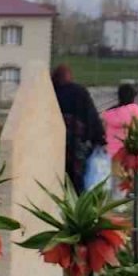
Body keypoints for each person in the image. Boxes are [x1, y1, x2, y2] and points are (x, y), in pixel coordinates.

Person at [52, 65, 105, 193]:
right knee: (78, 178)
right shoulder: (80, 92)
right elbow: (91, 117)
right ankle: (76, 206)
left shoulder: (51, 92)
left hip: (55, 144)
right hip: (78, 144)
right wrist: (100, 139)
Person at [102, 83, 138, 198]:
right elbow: (137, 127)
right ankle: (119, 200)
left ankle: (108, 197)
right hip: (127, 147)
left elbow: (104, 129)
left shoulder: (109, 113)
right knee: (125, 174)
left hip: (111, 149)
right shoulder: (135, 110)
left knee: (113, 174)